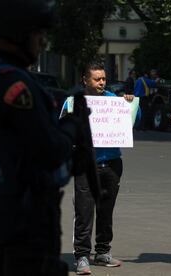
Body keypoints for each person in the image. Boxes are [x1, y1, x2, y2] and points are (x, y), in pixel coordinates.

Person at [0, 0, 84, 275]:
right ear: (17, 32)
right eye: (37, 32)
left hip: (1, 211)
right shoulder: (16, 85)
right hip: (27, 219)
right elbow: (50, 151)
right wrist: (73, 127)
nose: (42, 40)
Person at [62, 61, 137, 275]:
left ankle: (103, 252)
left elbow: (133, 120)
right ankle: (82, 256)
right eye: (97, 79)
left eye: (104, 78)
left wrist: (131, 105)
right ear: (85, 80)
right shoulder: (73, 102)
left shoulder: (114, 101)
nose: (102, 82)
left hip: (112, 163)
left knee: (106, 211)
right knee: (84, 211)